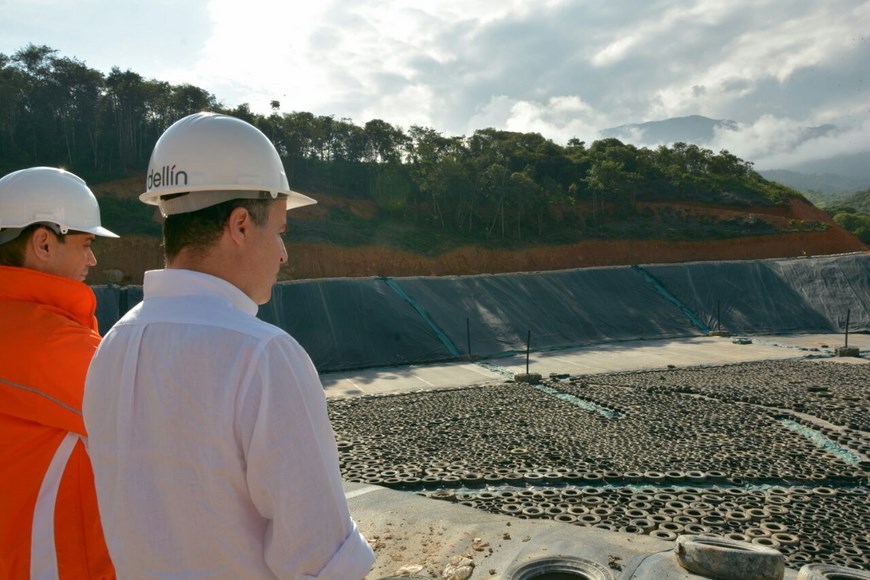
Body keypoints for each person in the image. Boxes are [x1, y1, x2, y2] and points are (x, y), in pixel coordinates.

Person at [83, 112, 375, 579]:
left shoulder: (110, 349)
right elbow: (321, 561)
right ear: (240, 224)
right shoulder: (262, 356)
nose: (283, 252)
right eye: (279, 230)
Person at [0, 167, 118, 579]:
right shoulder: (47, 344)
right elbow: (169, 423)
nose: (93, 258)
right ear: (44, 242)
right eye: (86, 243)